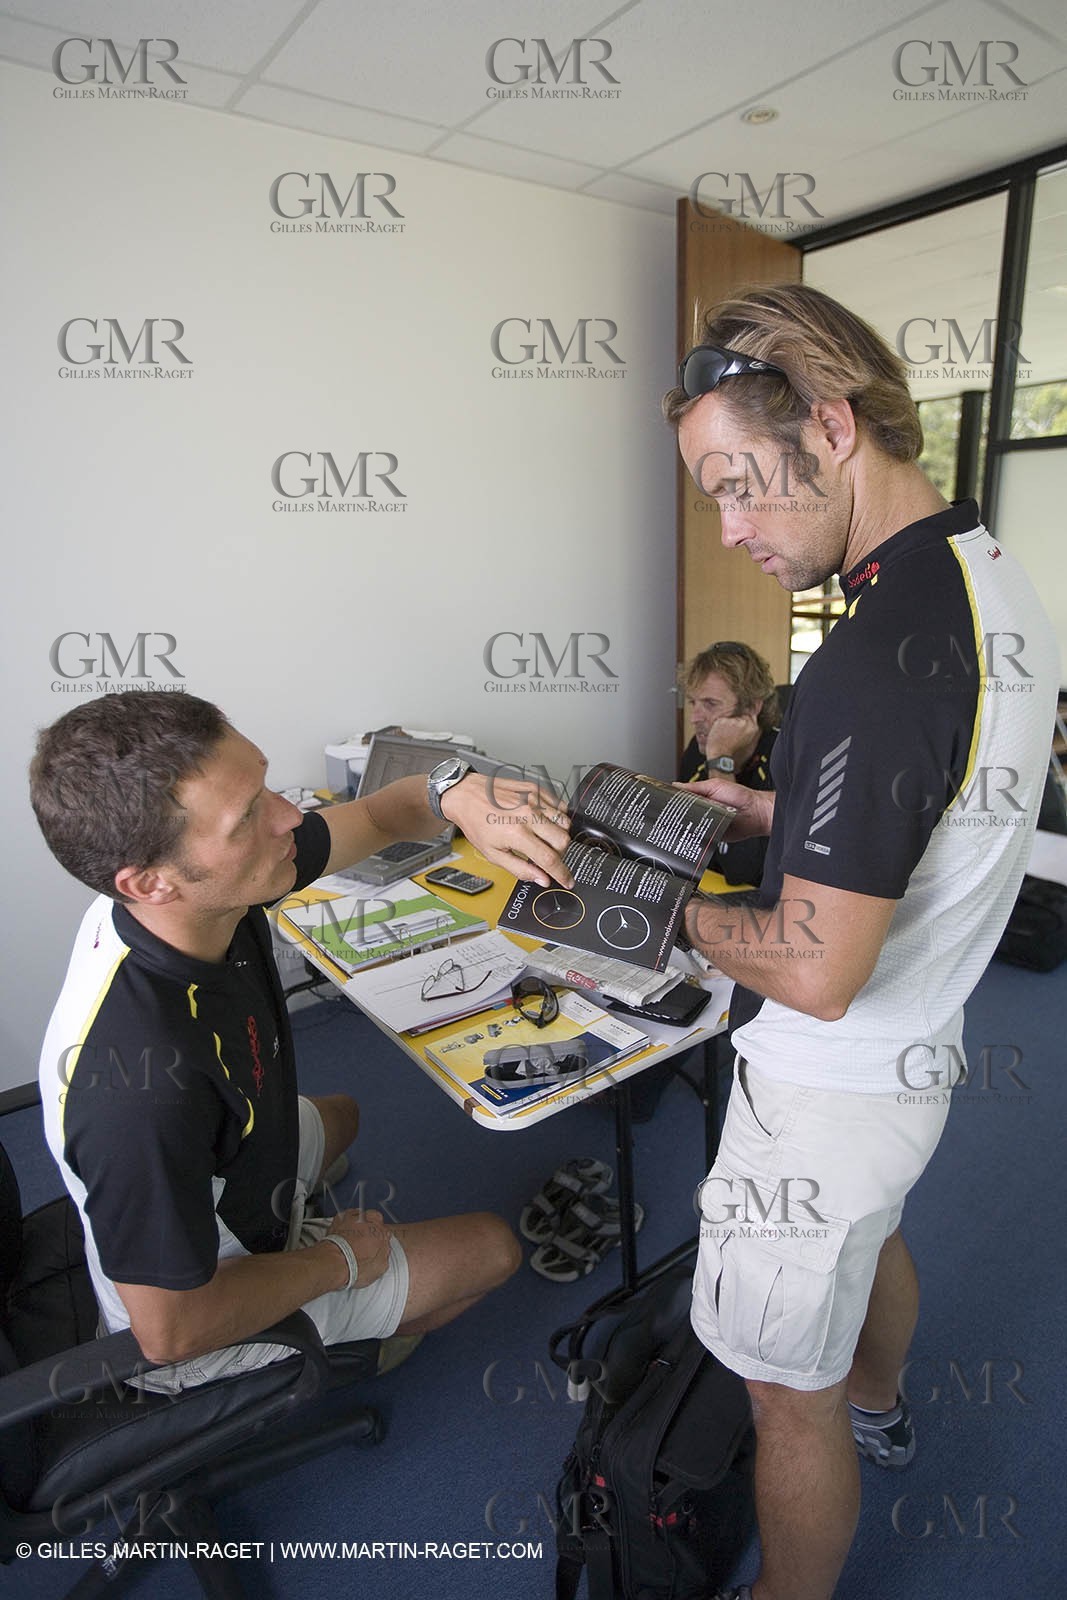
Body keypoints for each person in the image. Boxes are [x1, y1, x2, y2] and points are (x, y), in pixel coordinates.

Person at [662, 283, 1058, 1600]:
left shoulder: (867, 657)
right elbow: (938, 798)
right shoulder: (980, 576)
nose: (729, 531)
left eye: (737, 487)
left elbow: (816, 970)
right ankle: (879, 1401)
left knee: (782, 1396)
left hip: (828, 1087)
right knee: (870, 1240)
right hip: (918, 1055)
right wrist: (781, 807)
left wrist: (652, 905)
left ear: (829, 430)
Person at [31, 691, 573, 1391]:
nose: (290, 816)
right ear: (151, 883)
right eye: (248, 815)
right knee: (491, 1251)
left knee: (345, 1113)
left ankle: (320, 1254)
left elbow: (383, 812)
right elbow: (170, 1333)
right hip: (200, 1317)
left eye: (264, 786)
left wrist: (455, 792)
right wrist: (338, 1262)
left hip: (232, 1174)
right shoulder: (137, 1097)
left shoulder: (188, 893)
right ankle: (347, 1349)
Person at [678, 640, 780, 887]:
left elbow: (742, 869)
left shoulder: (784, 756)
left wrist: (721, 758)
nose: (695, 718)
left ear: (753, 708)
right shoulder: (697, 749)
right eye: (693, 702)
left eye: (710, 704)